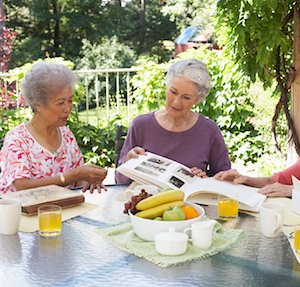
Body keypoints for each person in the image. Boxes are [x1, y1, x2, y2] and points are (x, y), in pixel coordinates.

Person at [115, 58, 231, 184]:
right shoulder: (141, 125)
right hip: (144, 201)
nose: (176, 102)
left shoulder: (209, 130)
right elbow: (120, 180)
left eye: (186, 97)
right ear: (167, 88)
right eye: (173, 92)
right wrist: (128, 162)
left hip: (189, 203)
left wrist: (205, 181)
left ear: (197, 100)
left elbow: (225, 180)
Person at [0, 61, 107, 194]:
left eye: (70, 101)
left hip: (62, 211)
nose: (68, 109)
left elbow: (78, 182)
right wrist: (69, 177)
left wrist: (90, 179)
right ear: (38, 104)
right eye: (60, 103)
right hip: (23, 213)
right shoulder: (17, 139)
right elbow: (22, 186)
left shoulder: (66, 135)